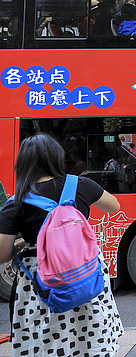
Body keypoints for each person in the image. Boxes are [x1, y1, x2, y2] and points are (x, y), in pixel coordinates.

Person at [0, 133, 123, 356]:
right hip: (84, 272)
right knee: (89, 335)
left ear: (23, 163)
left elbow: (1, 254)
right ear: (57, 158)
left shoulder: (17, 202)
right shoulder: (82, 185)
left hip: (41, 282)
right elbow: (113, 206)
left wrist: (20, 244)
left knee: (44, 339)